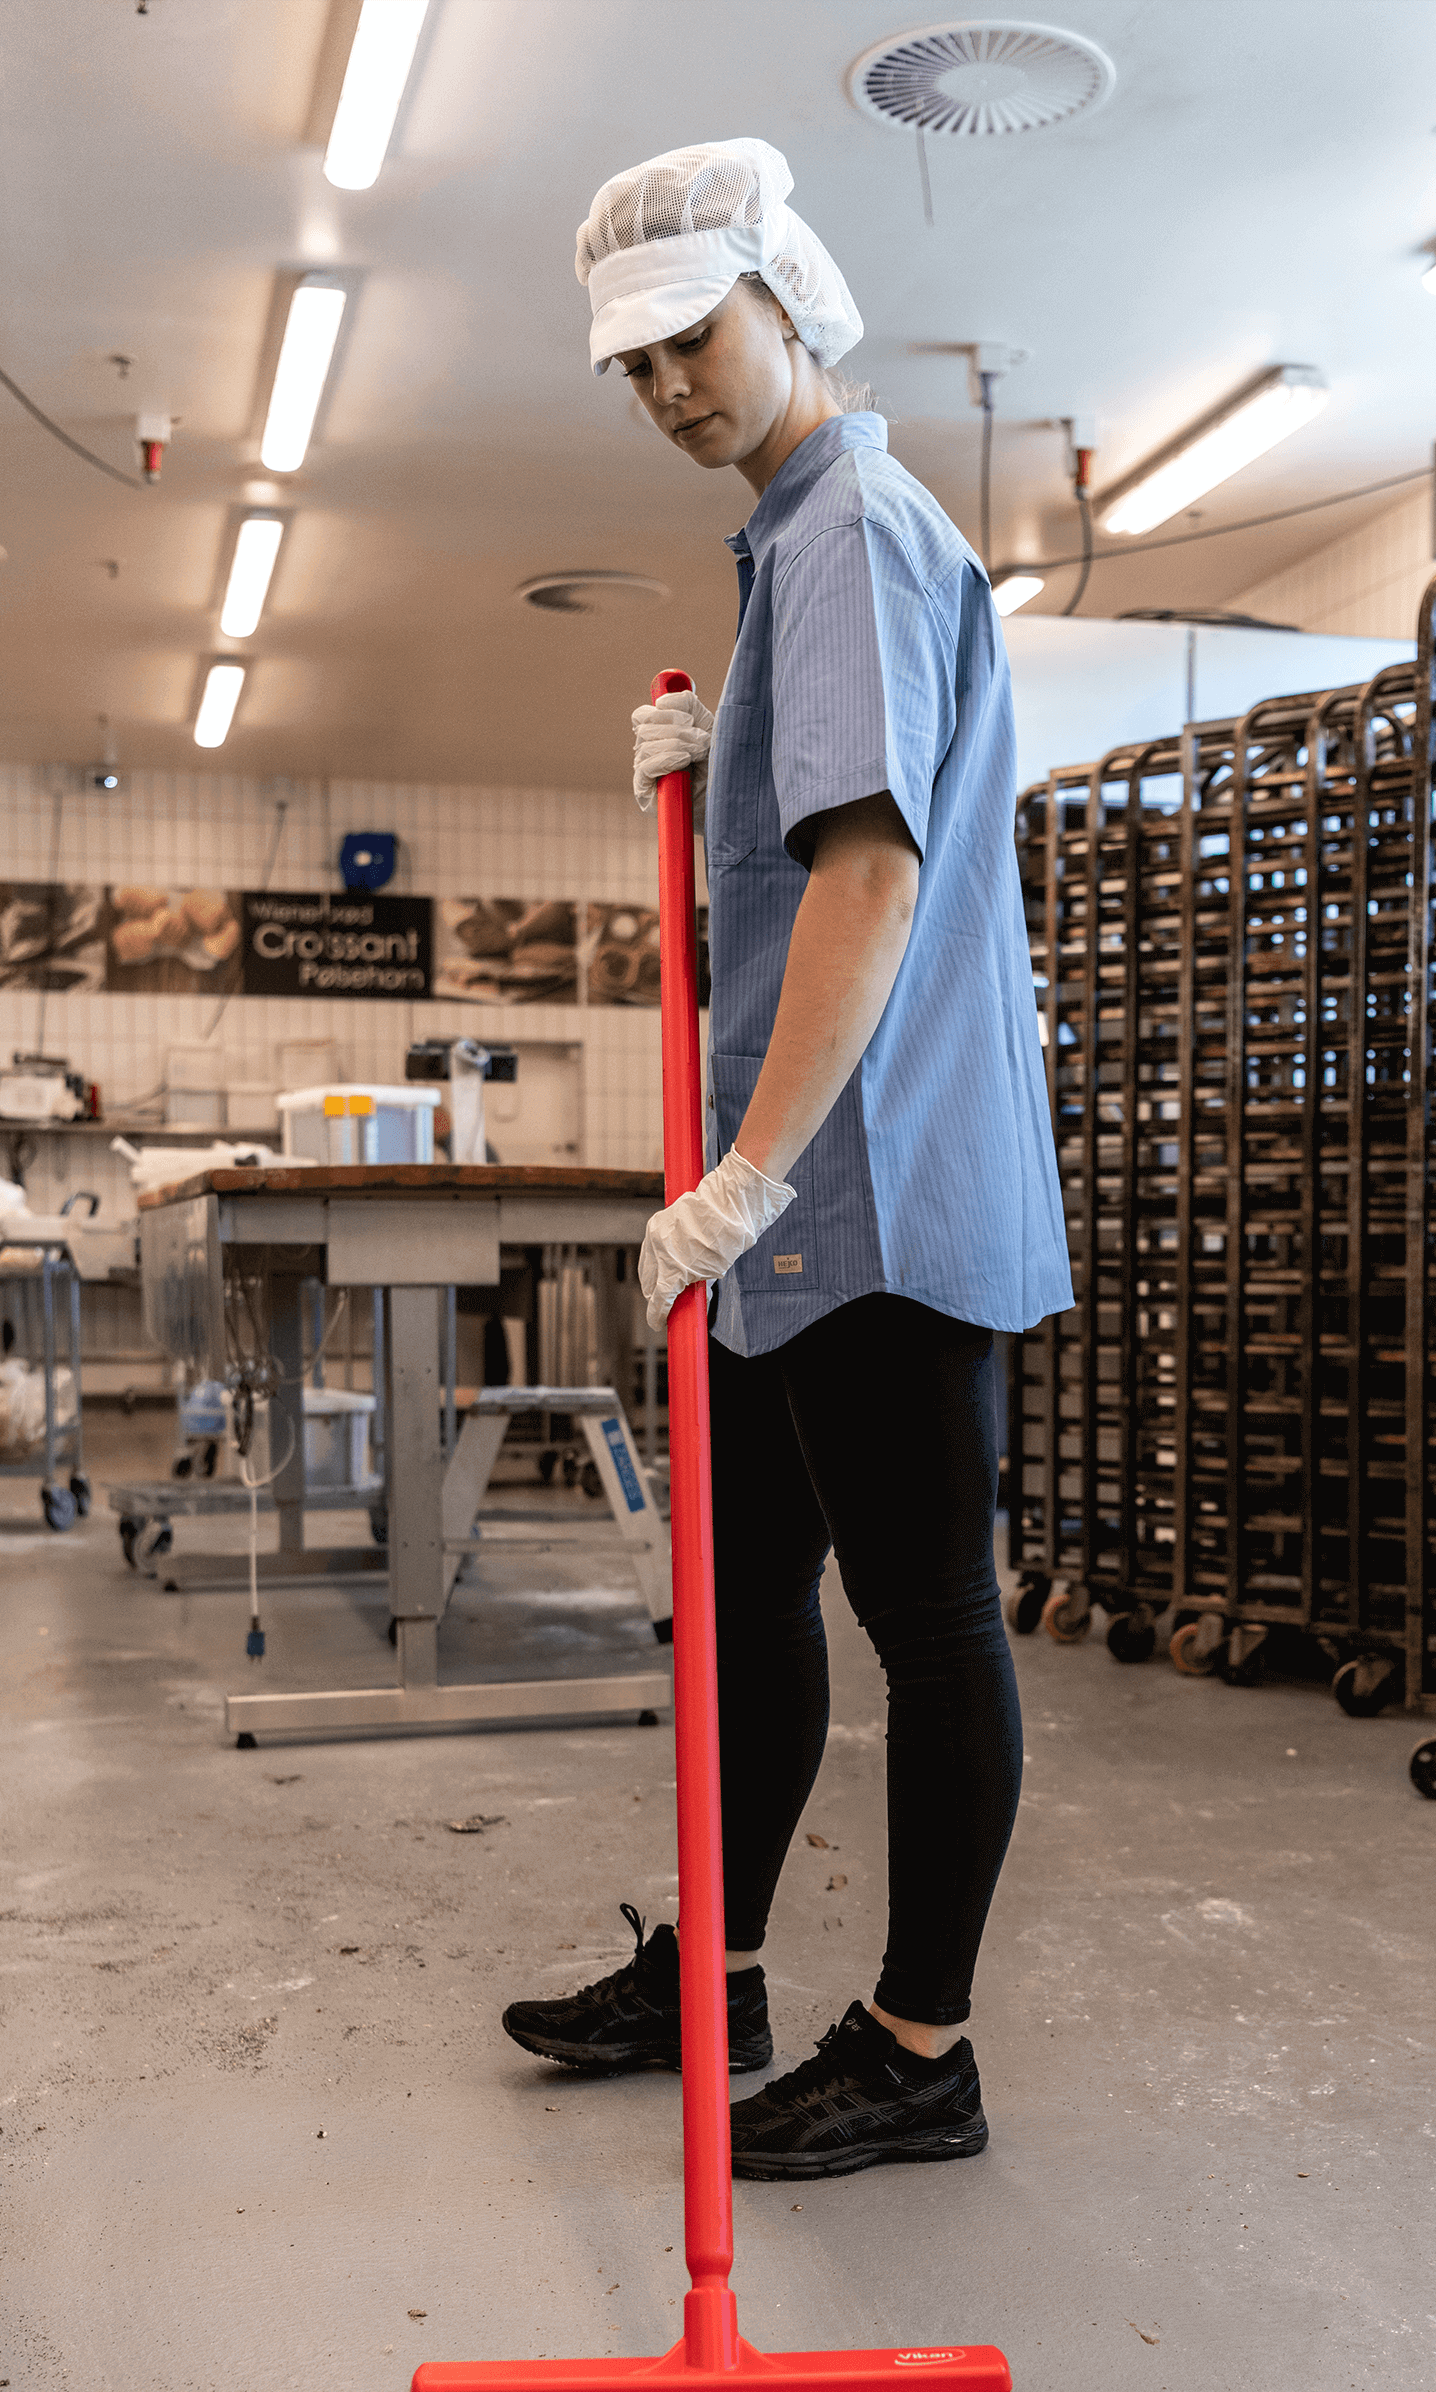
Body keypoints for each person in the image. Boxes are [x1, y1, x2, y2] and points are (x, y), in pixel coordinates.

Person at [500, 139, 1071, 2179]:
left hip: (874, 1193)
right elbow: (811, 817)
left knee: (930, 1615)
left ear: (790, 300)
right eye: (631, 366)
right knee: (747, 1588)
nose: (667, 390)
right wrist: (728, 741)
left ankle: (923, 2045)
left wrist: (740, 1176)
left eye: (692, 340)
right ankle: (717, 1974)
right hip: (811, 1202)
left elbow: (870, 873)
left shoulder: (847, 530)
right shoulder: (804, 547)